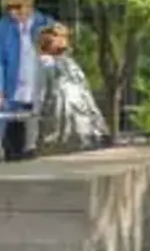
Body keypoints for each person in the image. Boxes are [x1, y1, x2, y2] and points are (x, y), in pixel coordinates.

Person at [0, 0, 52, 163]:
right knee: (11, 144)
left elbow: (57, 57)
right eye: (9, 8)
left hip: (38, 92)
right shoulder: (3, 27)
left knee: (36, 145)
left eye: (18, 6)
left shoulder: (45, 24)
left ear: (29, 3)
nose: (13, 12)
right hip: (14, 94)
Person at [35, 24, 109, 154]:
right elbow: (87, 95)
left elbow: (39, 92)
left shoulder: (50, 63)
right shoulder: (69, 65)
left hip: (62, 125)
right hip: (78, 126)